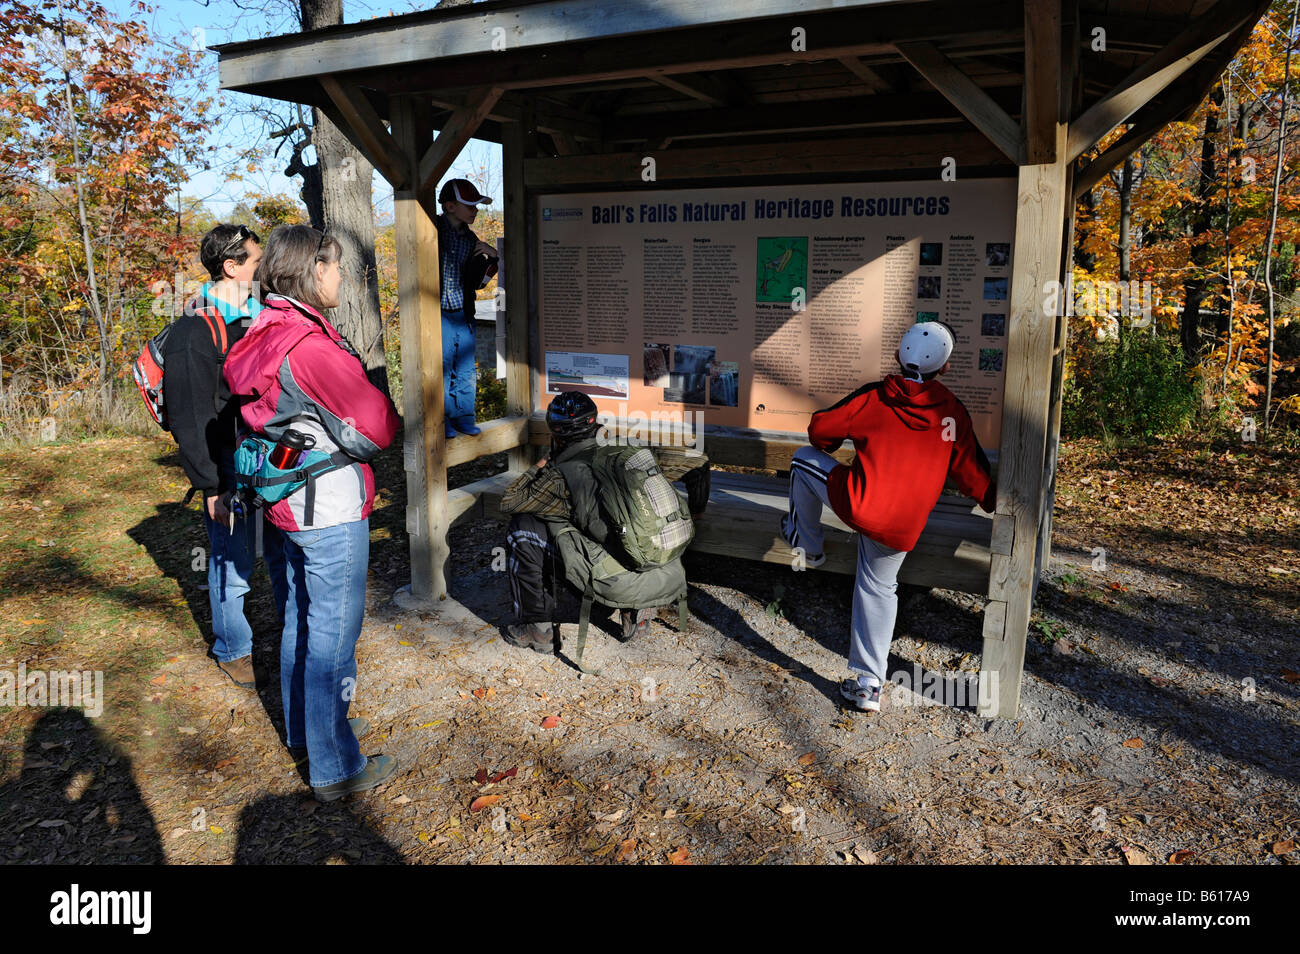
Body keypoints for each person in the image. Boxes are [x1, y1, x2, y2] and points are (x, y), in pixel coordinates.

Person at [223, 225, 402, 801]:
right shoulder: (311, 347)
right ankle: (335, 767)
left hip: (284, 508)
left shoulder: (261, 331)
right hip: (328, 508)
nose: (341, 274)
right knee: (332, 638)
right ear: (311, 270)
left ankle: (310, 733)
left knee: (302, 621)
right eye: (335, 264)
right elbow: (377, 427)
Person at [782, 321, 997, 712]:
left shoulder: (875, 397)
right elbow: (973, 475)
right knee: (878, 589)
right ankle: (868, 686)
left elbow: (820, 431)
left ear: (899, 356)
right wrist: (993, 502)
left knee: (801, 461)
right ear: (945, 367)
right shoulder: (951, 413)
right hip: (901, 527)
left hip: (858, 504)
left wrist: (834, 440)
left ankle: (808, 547)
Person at [164, 223, 286, 690]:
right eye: (256, 261)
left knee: (276, 553)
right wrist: (213, 487)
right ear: (232, 267)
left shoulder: (259, 316)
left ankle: (278, 637)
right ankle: (233, 649)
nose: (264, 268)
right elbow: (191, 420)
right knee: (231, 560)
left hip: (269, 463)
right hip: (228, 471)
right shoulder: (193, 331)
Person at [499, 391, 710, 655]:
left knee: (523, 528)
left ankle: (537, 628)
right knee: (617, 526)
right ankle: (637, 613)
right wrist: (697, 515)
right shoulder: (631, 449)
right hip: (666, 568)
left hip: (614, 581)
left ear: (555, 434)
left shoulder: (558, 476)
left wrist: (543, 462)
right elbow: (698, 461)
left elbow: (510, 501)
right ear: (595, 422)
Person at [435, 178, 498, 439]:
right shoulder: (433, 230)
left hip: (463, 313)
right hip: (438, 313)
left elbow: (478, 282)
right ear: (450, 206)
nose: (475, 211)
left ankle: (464, 417)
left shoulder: (471, 239)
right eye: (470, 205)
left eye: (477, 206)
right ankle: (445, 418)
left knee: (465, 369)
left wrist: (493, 257)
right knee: (444, 366)